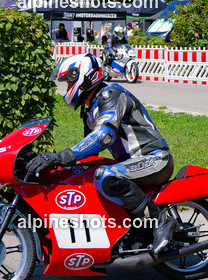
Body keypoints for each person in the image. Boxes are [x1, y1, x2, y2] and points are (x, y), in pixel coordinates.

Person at [26, 54, 177, 252]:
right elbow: (89, 150)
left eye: (69, 81)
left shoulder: (110, 95)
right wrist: (56, 165)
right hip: (133, 163)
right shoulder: (90, 109)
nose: (67, 87)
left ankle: (160, 222)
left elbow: (104, 136)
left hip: (154, 158)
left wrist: (62, 156)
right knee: (86, 175)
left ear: (84, 78)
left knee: (107, 175)